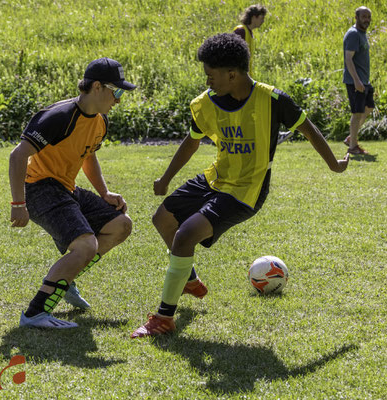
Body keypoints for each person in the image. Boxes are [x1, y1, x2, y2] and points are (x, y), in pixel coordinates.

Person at [130, 33, 349, 338]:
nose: (208, 80)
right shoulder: (208, 103)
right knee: (162, 220)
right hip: (215, 179)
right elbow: (192, 143)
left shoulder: (273, 100)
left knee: (185, 235)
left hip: (247, 190)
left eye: (211, 74)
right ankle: (189, 280)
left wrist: (334, 164)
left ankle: (164, 318)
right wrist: (166, 178)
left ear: (232, 74)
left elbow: (309, 130)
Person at [9, 57, 136, 329]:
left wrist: (104, 193)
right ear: (98, 87)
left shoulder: (100, 121)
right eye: (118, 91)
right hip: (39, 188)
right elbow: (18, 155)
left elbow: (88, 156)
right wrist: (18, 203)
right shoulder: (59, 117)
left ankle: (65, 277)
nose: (119, 99)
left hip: (66, 189)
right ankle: (35, 314)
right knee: (86, 246)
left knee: (121, 225)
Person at [233, 5, 292, 145]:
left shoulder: (249, 33)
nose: (263, 21)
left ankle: (269, 135)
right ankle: (272, 136)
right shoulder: (241, 31)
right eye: (261, 17)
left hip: (246, 80)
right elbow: (234, 56)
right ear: (253, 17)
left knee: (255, 109)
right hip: (240, 81)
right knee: (256, 108)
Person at [343, 6, 374, 155]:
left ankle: (351, 138)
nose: (367, 19)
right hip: (355, 81)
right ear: (356, 17)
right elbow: (348, 58)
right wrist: (356, 80)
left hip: (364, 80)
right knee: (357, 112)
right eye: (364, 16)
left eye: (368, 17)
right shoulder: (354, 34)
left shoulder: (362, 33)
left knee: (369, 108)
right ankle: (353, 147)